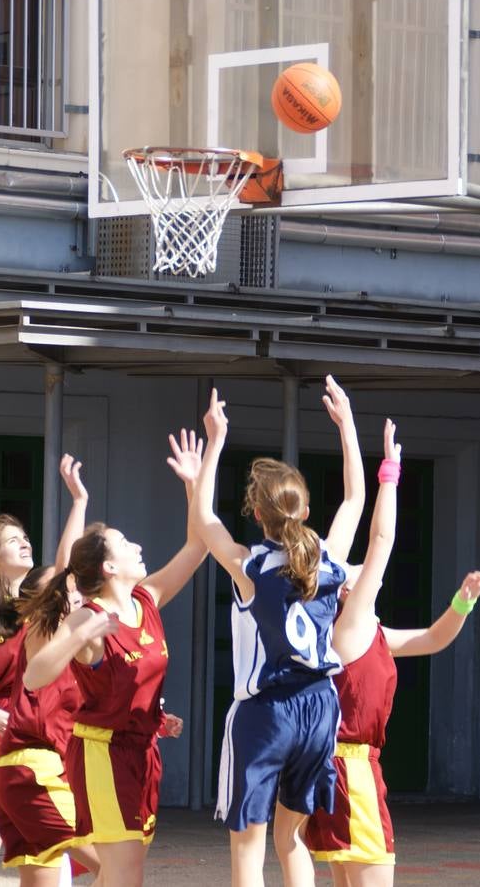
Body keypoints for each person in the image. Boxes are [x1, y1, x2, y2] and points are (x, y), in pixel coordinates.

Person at [189, 375, 365, 887]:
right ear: (305, 511)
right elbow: (355, 497)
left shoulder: (250, 566)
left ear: (257, 513)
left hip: (266, 711)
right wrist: (347, 425)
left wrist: (216, 440)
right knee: (292, 839)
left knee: (248, 845)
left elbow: (203, 516)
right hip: (320, 706)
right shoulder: (327, 558)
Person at [304, 420, 480, 887]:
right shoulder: (346, 629)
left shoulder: (371, 633)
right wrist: (389, 472)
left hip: (344, 768)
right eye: (355, 574)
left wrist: (464, 601)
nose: (365, 574)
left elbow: (433, 638)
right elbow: (381, 542)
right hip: (349, 768)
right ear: (347, 591)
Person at [22, 430, 206, 887]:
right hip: (102, 756)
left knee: (119, 875)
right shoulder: (91, 619)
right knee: (125, 875)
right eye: (126, 544)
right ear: (108, 567)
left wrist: (194, 483)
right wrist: (75, 637)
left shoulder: (147, 599)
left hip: (143, 753)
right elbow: (34, 674)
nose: (138, 547)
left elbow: (199, 545)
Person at [0, 455, 85, 887]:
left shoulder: (41, 604)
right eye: (13, 540)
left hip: (44, 728)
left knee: (53, 832)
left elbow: (66, 568)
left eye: (26, 537)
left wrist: (79, 500)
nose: (25, 543)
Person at [0, 458, 111, 887]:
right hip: (33, 770)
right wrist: (79, 501)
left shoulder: (68, 645)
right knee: (116, 868)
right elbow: (64, 568)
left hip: (19, 772)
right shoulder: (43, 626)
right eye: (60, 587)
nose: (71, 589)